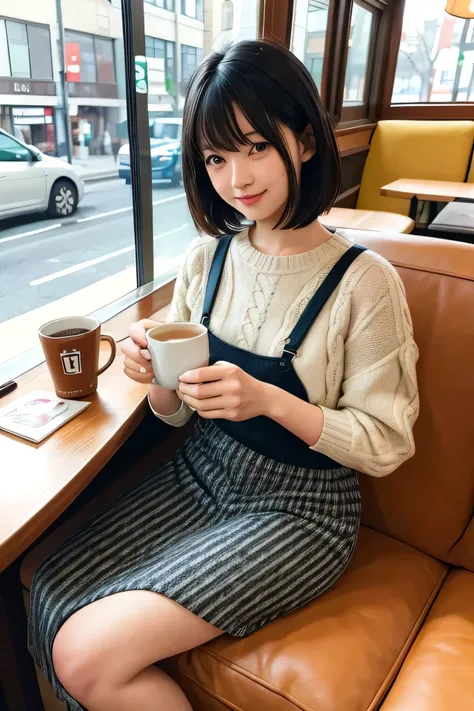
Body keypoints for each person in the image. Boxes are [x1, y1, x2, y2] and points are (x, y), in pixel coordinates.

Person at [28, 40, 419, 711]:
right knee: (47, 591)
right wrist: (152, 375)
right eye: (215, 157)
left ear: (302, 140)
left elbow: (387, 441)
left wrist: (267, 399)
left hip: (301, 509)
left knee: (86, 651)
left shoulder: (365, 283)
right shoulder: (205, 260)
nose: (236, 177)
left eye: (254, 146)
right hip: (201, 472)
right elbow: (173, 413)